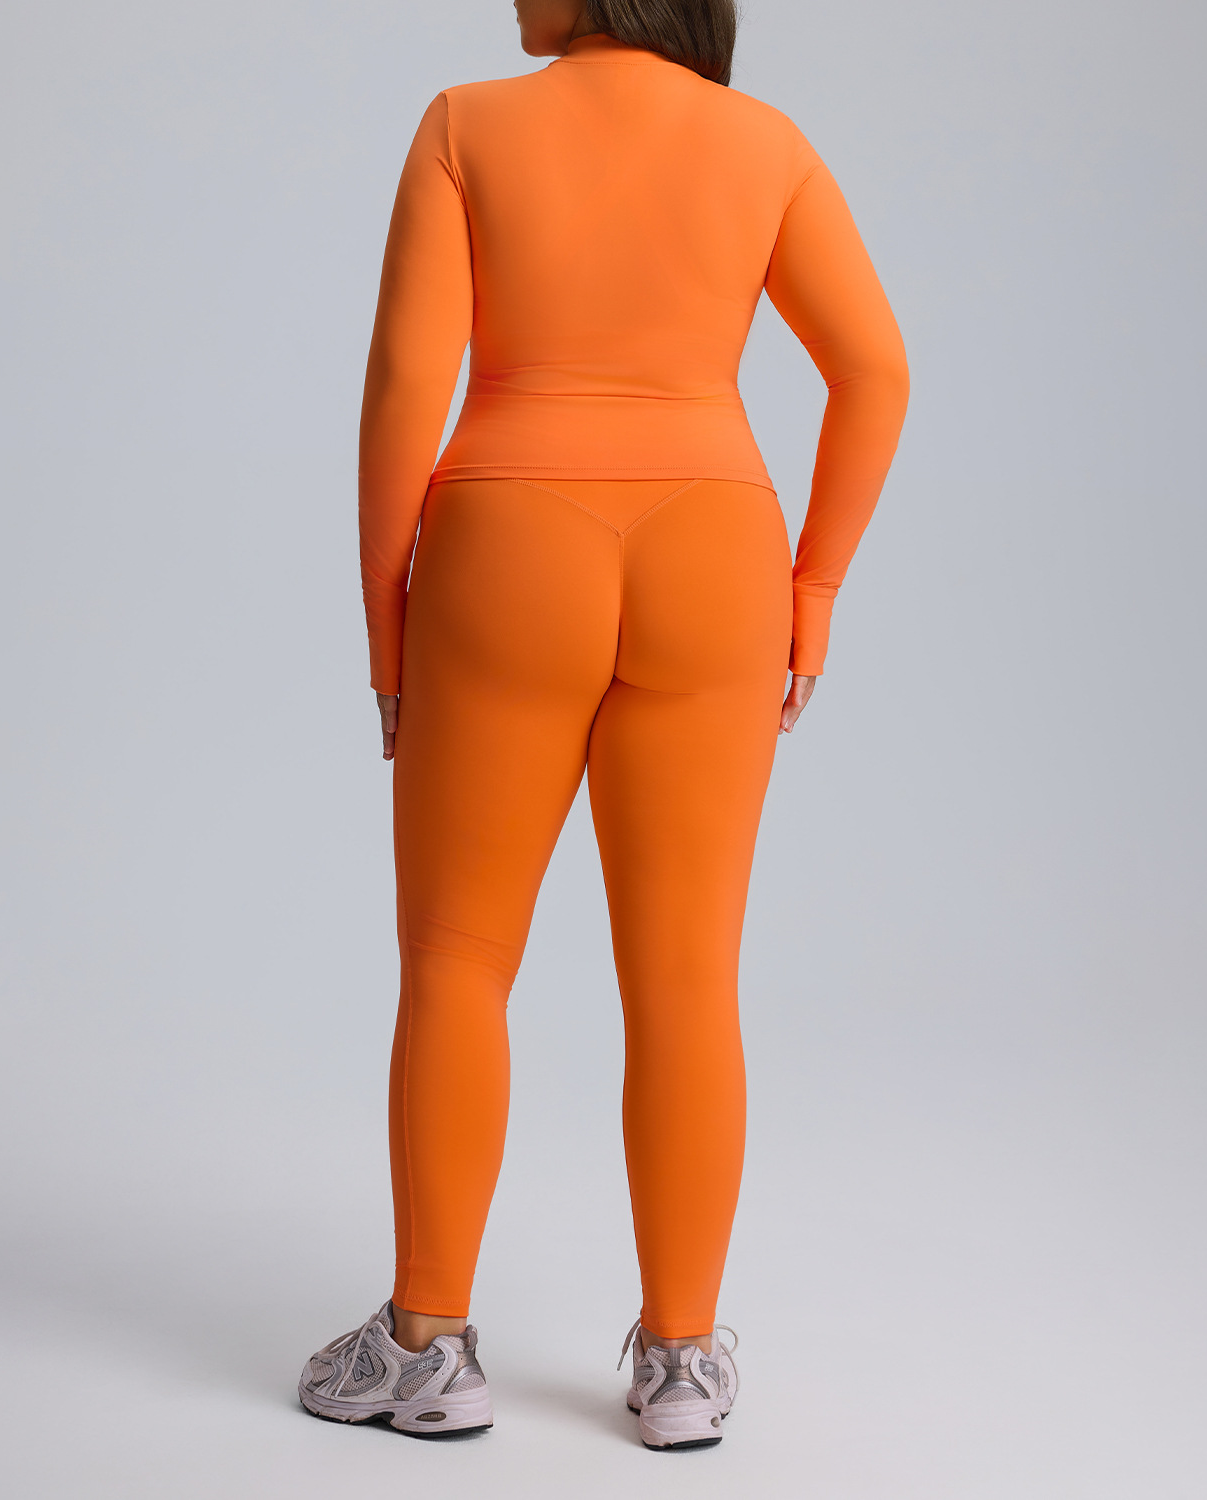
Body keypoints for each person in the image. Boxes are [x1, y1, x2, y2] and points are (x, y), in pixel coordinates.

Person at [297, 0, 908, 1450]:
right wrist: (814, 589)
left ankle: (426, 1347)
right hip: (716, 547)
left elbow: (406, 381)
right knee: (688, 972)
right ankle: (683, 1364)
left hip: (510, 541)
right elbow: (876, 369)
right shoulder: (766, 144)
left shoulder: (467, 126)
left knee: (458, 955)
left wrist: (386, 624)